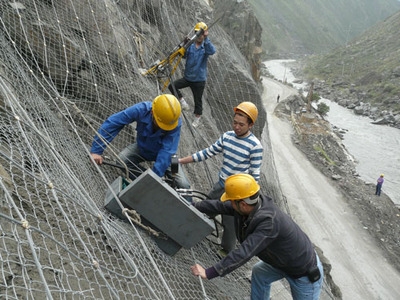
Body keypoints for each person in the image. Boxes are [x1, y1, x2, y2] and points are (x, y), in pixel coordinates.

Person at [190, 174, 324, 300]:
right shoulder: (248, 206)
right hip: (281, 262)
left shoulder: (269, 223)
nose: (229, 204)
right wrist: (193, 206)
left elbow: (243, 253)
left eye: (231, 201)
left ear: (242, 204)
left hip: (303, 272)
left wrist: (209, 272)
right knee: (259, 273)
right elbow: (218, 206)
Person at [179, 102, 263, 252]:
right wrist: (181, 161)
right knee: (205, 208)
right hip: (221, 186)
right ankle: (190, 233)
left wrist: (246, 199)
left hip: (237, 194)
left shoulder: (255, 146)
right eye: (235, 122)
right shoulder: (227, 137)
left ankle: (225, 252)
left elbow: (254, 175)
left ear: (250, 125)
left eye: (241, 125)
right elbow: (207, 153)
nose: (236, 127)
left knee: (230, 224)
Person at [90, 94, 191, 192]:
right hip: (142, 149)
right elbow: (114, 122)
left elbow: (167, 151)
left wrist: (154, 177)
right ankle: (150, 186)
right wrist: (96, 150)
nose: (162, 127)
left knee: (184, 185)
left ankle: (160, 189)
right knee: (122, 161)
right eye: (161, 124)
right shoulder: (141, 109)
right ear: (152, 112)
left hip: (166, 157)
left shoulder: (174, 122)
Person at [168, 22, 216, 128]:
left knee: (197, 101)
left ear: (204, 35)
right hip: (188, 77)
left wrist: (207, 39)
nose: (199, 36)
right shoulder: (191, 45)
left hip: (199, 79)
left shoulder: (205, 47)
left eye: (201, 34)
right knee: (172, 85)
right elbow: (184, 56)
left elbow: (212, 51)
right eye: (197, 33)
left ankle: (197, 119)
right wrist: (185, 45)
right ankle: (182, 102)